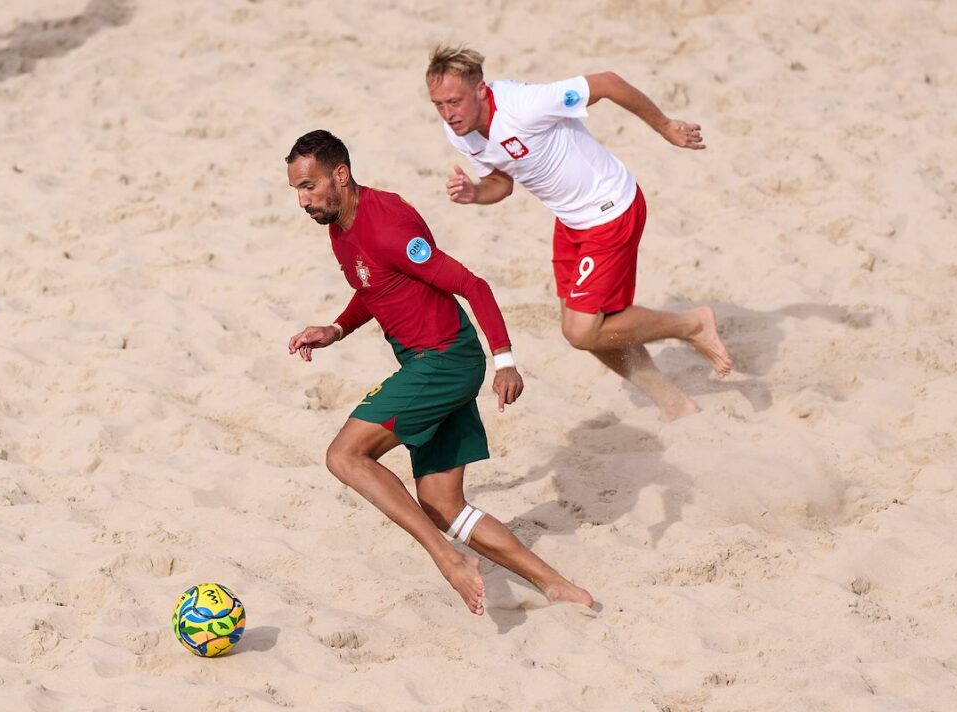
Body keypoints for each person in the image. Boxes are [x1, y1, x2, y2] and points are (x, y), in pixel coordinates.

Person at [285, 130, 593, 615]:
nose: (302, 200)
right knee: (443, 503)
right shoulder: (339, 226)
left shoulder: (389, 225)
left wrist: (505, 360)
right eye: (297, 190)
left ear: (339, 176)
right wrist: (337, 329)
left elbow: (473, 284)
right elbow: (375, 286)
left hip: (445, 360)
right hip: (429, 362)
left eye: (308, 186)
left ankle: (448, 559)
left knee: (344, 456)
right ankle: (558, 586)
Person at [425, 46, 732, 421]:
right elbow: (501, 181)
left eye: (453, 101)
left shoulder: (525, 104)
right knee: (597, 328)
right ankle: (677, 405)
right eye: (438, 104)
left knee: (582, 330)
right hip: (570, 221)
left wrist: (666, 126)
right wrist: (475, 194)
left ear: (480, 89)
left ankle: (692, 323)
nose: (447, 113)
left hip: (609, 209)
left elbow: (608, 83)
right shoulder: (459, 131)